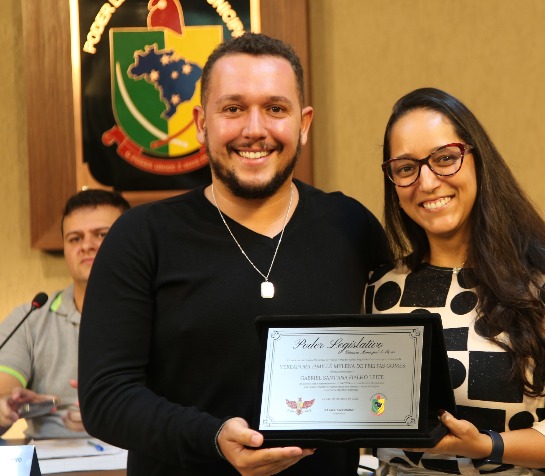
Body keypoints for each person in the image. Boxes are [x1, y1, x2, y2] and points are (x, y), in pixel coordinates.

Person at [78, 32, 388, 476]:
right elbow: (106, 397)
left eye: (275, 109)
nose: (255, 129)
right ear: (202, 122)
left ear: (304, 123)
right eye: (234, 108)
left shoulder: (351, 227)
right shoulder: (141, 237)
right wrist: (212, 439)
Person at [364, 87, 545, 475]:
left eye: (445, 159)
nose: (428, 182)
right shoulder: (378, 290)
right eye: (406, 168)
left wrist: (487, 445)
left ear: (477, 160)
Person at [0, 189, 130, 439]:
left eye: (101, 235)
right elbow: (3, 392)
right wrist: (9, 406)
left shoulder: (165, 313)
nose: (86, 246)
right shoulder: (31, 319)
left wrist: (112, 414)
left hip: (137, 459)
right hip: (53, 461)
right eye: (74, 238)